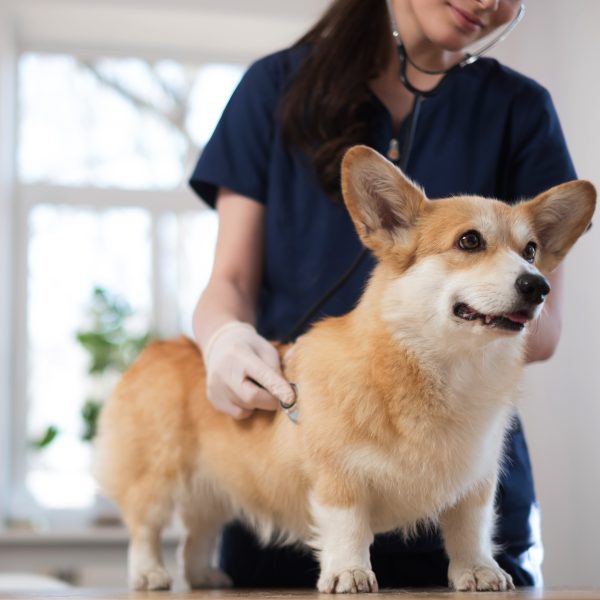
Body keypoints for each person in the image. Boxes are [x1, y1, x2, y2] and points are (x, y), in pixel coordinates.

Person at [189, 0, 575, 588]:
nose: (488, 3)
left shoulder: (520, 109)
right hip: (301, 480)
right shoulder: (274, 87)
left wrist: (458, 325)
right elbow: (231, 282)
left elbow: (541, 325)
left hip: (462, 494)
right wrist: (223, 339)